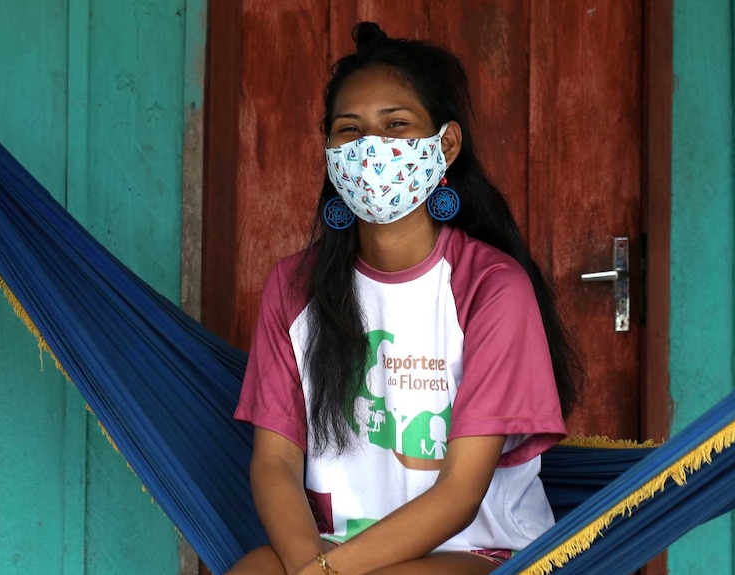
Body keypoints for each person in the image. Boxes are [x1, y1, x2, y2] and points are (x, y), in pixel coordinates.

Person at [229, 21, 582, 575]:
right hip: (333, 551)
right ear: (328, 152)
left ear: (445, 144)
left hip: (478, 550)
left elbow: (460, 494)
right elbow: (274, 462)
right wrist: (308, 566)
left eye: (396, 125)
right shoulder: (293, 287)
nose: (371, 148)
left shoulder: (491, 287)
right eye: (350, 130)